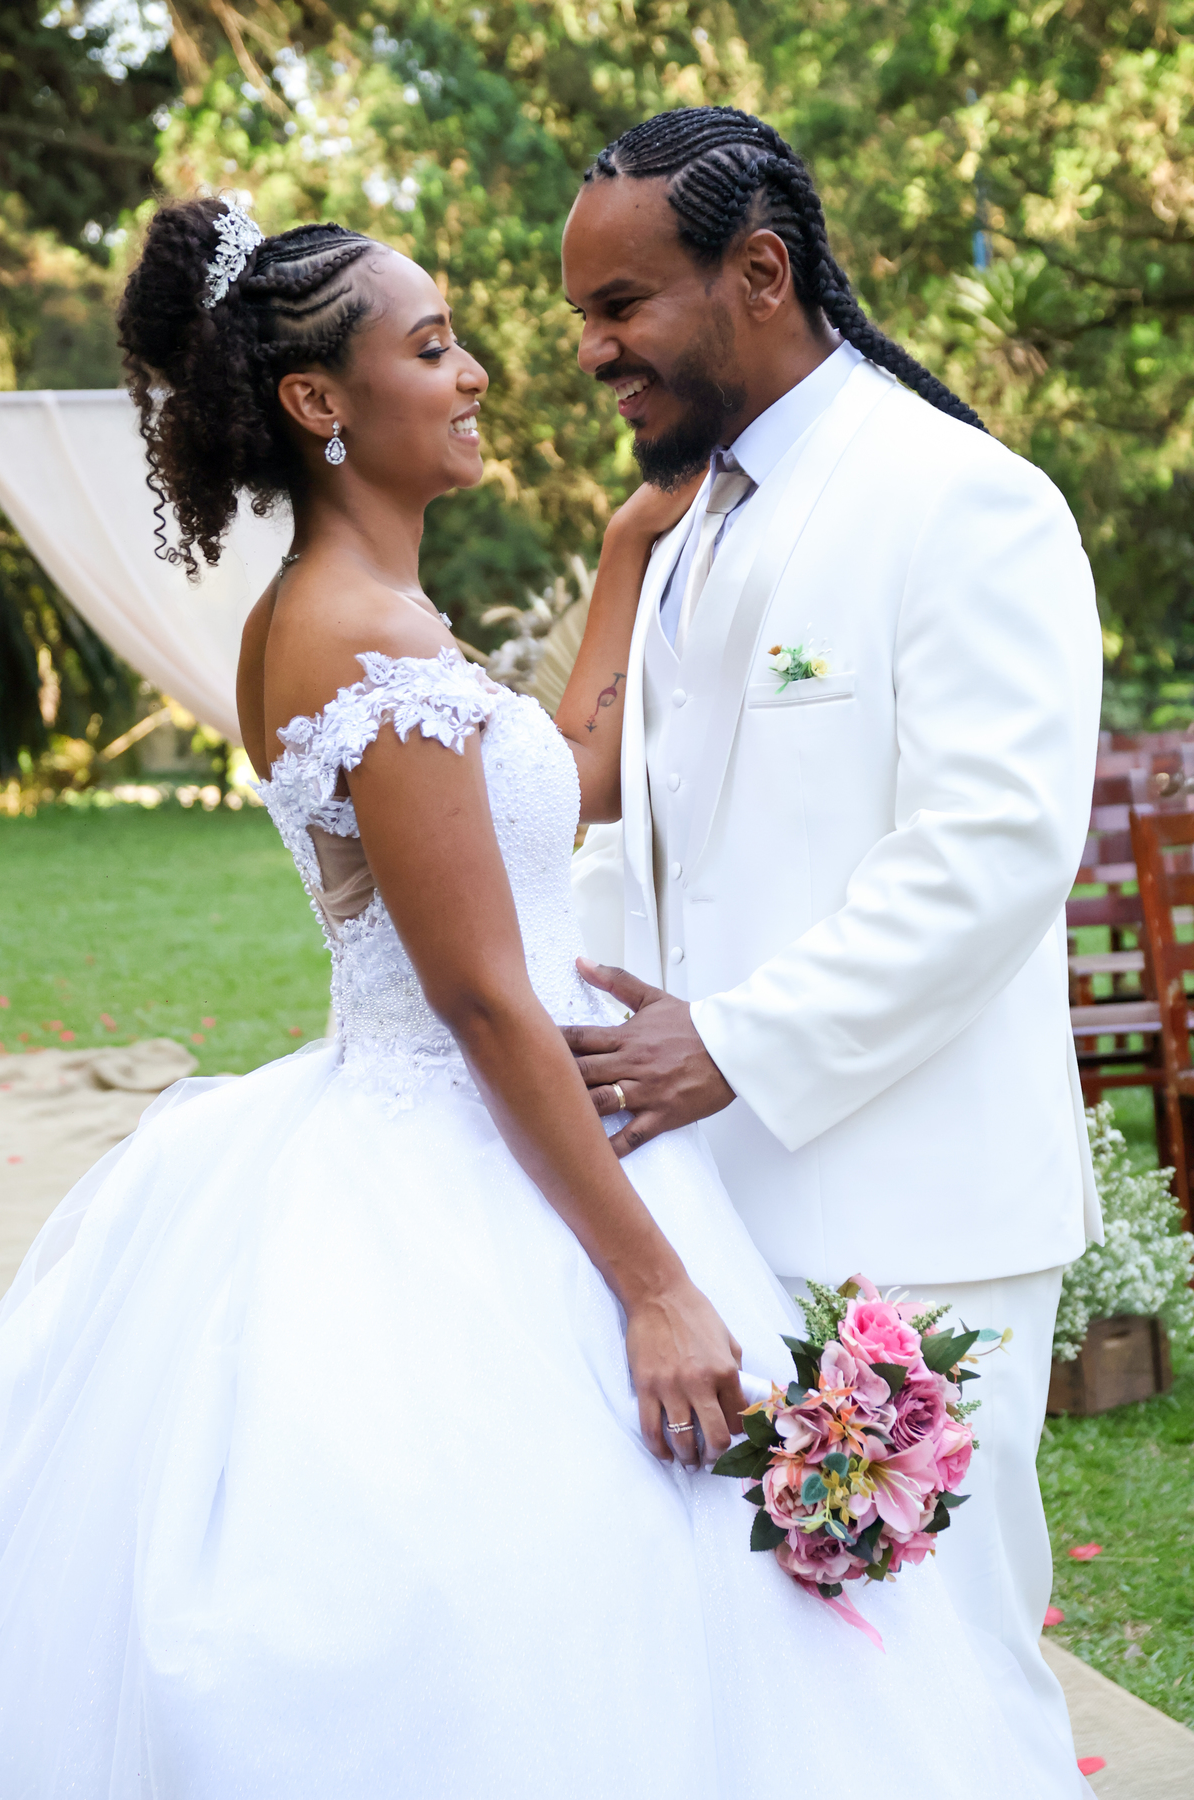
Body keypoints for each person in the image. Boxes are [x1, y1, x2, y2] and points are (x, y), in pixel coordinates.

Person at [0, 197, 1047, 1799]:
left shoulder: (363, 619)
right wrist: (654, 1286)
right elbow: (486, 1002)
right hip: (479, 1156)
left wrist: (626, 555)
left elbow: (566, 780)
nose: (477, 372)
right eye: (433, 348)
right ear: (319, 401)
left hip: (490, 1125)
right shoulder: (358, 640)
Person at [559, 107, 1103, 1796]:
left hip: (915, 1217)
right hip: (718, 1203)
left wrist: (732, 1042)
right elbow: (649, 841)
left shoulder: (964, 500)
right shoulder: (689, 523)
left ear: (761, 272)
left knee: (947, 1672)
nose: (592, 351)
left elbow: (992, 851)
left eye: (624, 306)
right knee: (799, 1700)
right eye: (584, 314)